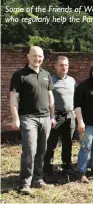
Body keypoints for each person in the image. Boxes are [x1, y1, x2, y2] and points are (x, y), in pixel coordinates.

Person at [10, 46, 55, 194]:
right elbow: (13, 99)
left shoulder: (46, 74)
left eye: (40, 56)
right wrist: (15, 118)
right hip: (28, 118)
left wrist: (52, 116)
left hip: (45, 118)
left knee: (42, 151)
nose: (37, 59)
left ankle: (38, 179)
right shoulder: (19, 75)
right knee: (29, 150)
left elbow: (50, 97)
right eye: (34, 56)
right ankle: (24, 183)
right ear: (28, 56)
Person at [43, 56, 76, 177]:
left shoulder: (72, 80)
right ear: (55, 66)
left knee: (68, 142)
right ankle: (47, 168)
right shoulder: (50, 80)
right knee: (51, 143)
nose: (64, 67)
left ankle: (66, 167)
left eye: (66, 65)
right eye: (61, 65)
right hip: (55, 116)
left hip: (70, 116)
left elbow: (75, 98)